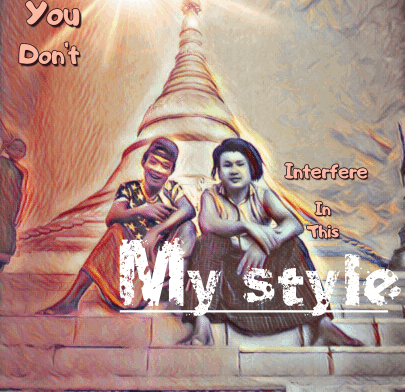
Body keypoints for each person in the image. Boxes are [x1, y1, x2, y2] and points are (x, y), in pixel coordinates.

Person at [184, 138, 363, 346]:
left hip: (260, 281)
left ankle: (323, 324)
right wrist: (246, 226)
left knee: (293, 244)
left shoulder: (263, 195)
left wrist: (264, 246)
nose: (234, 171)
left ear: (251, 169)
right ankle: (202, 323)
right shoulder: (211, 195)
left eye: (240, 164)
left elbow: (294, 224)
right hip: (228, 283)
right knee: (209, 242)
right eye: (227, 165)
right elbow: (208, 224)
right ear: (218, 171)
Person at [38, 137, 196, 314]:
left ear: (171, 171)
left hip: (157, 269)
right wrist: (143, 211)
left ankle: (176, 294)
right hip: (132, 275)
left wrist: (156, 231)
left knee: (188, 227)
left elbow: (188, 209)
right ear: (144, 162)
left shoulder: (171, 189)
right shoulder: (129, 188)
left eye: (165, 166)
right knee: (116, 230)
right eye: (153, 162)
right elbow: (112, 217)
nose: (157, 170)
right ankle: (71, 300)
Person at [0, 138, 27, 271]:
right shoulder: (3, 163)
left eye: (21, 150)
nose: (18, 152)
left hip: (9, 212)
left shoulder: (20, 172)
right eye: (15, 148)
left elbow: (21, 195)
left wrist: (19, 214)